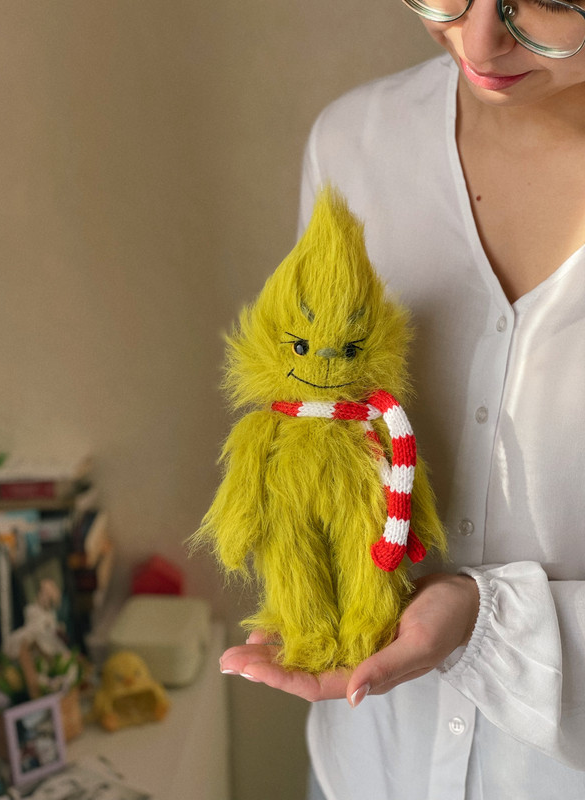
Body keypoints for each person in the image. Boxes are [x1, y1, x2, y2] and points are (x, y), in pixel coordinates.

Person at [219, 0, 585, 796]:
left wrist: (490, 620)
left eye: (551, 0)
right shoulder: (354, 143)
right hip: (362, 769)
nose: (477, 38)